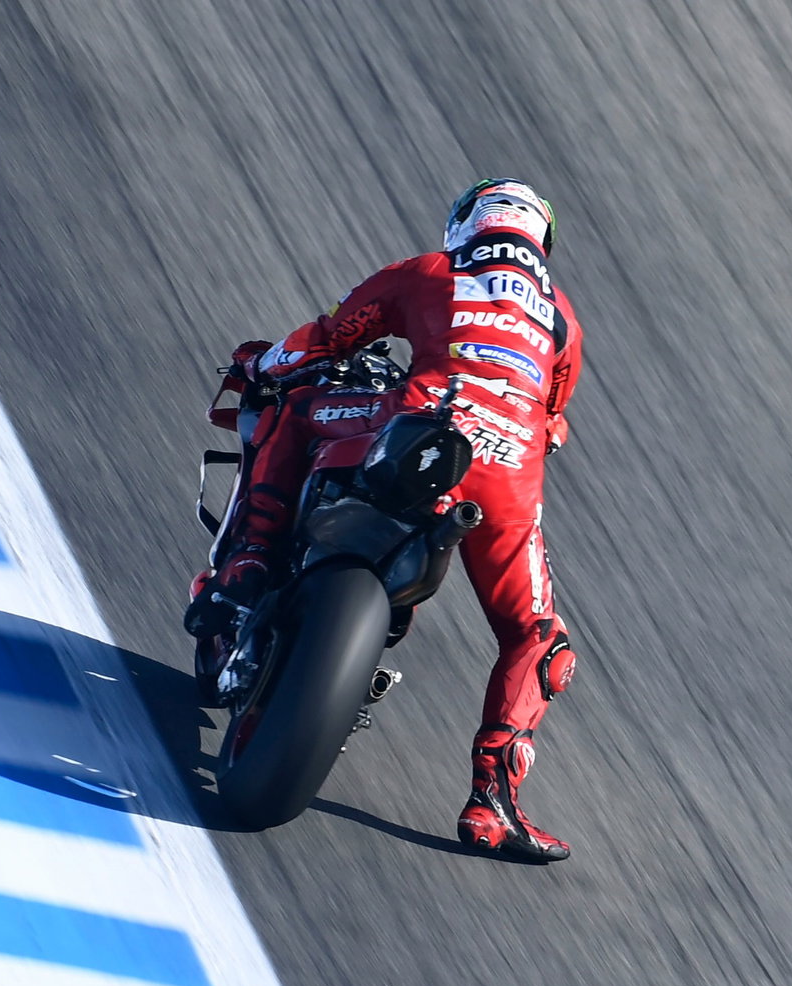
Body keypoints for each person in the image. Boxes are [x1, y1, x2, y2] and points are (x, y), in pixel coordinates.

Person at [185, 179, 583, 861]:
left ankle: (247, 564)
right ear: (540, 244)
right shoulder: (563, 321)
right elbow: (551, 425)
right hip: (508, 480)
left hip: (415, 428)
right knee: (541, 640)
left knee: (298, 403)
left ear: (468, 224)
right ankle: (493, 801)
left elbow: (329, 338)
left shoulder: (433, 268)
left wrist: (262, 361)